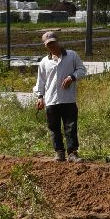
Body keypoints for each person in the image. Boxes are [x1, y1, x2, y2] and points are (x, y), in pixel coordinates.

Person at [33, 29, 87, 162]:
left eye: (53, 43)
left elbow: (82, 70)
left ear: (58, 42)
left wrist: (72, 77)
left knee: (71, 127)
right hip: (51, 100)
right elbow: (41, 82)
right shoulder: (44, 62)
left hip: (68, 99)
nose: (51, 46)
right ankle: (59, 152)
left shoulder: (72, 55)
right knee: (54, 128)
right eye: (48, 44)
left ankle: (72, 153)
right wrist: (40, 97)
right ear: (45, 46)